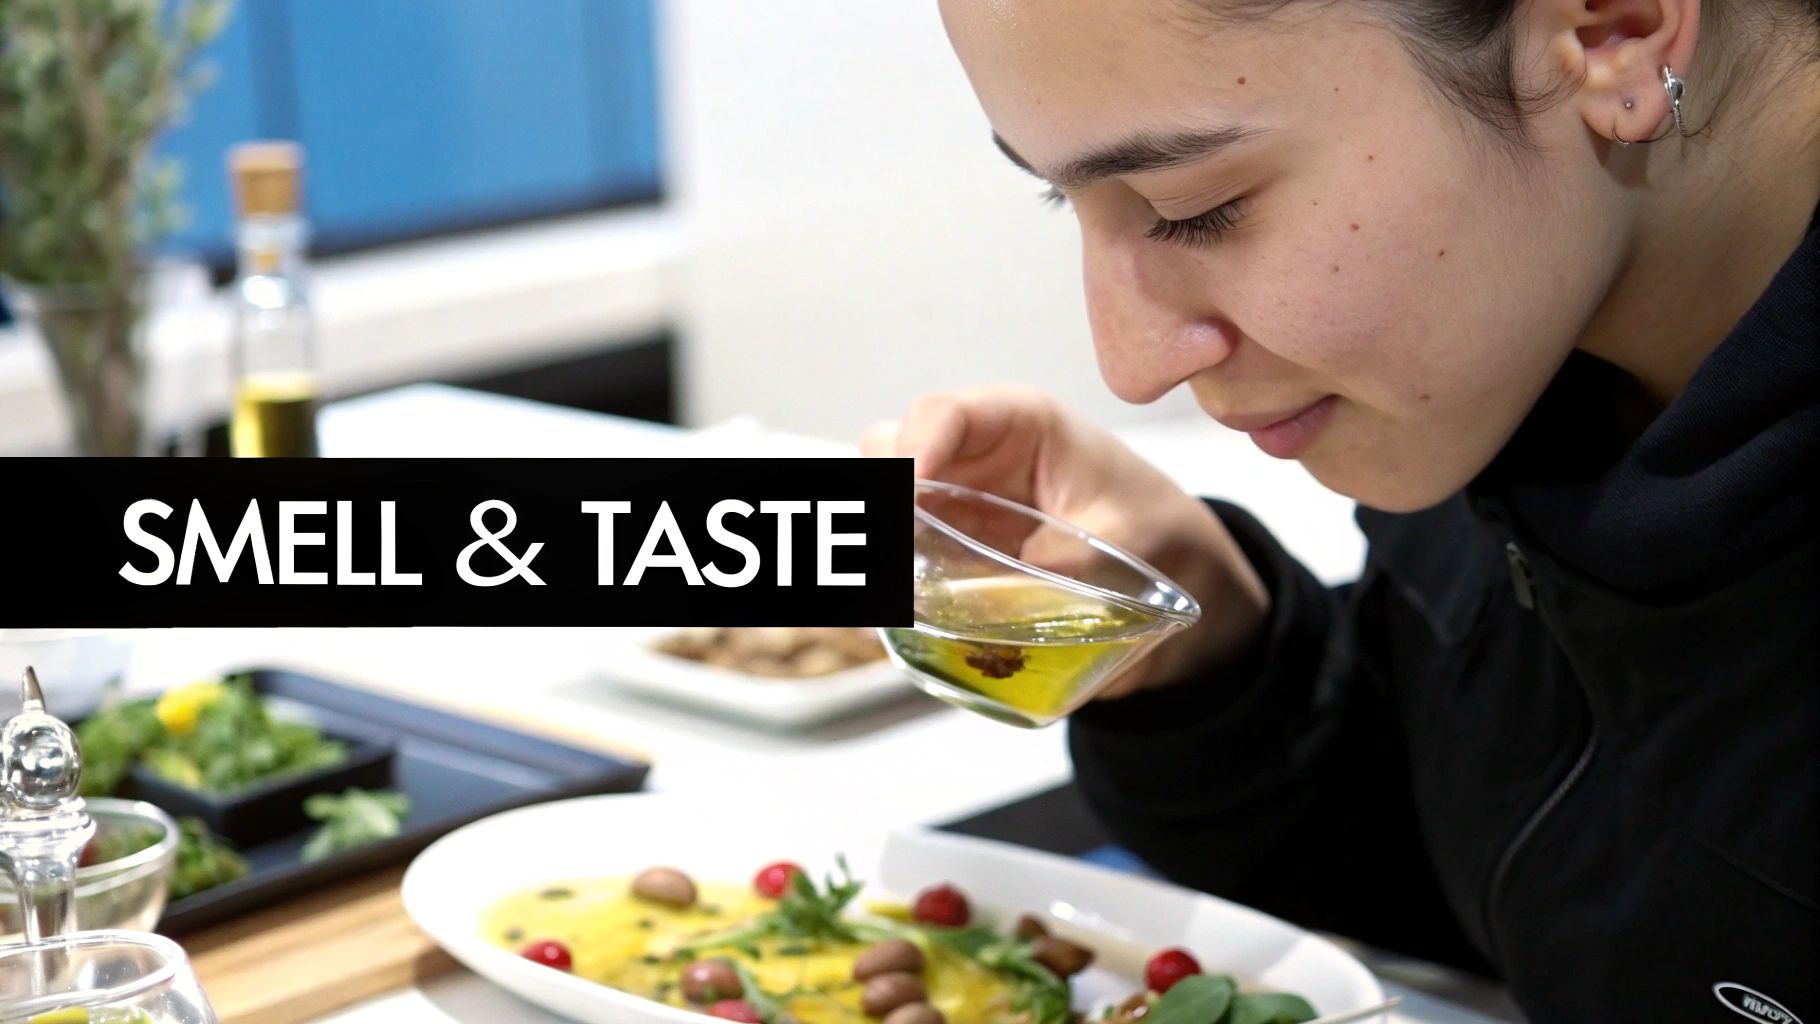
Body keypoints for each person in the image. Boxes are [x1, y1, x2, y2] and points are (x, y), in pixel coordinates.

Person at [862, 1, 1819, 1020]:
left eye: (1194, 206)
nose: (1128, 366)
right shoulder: (1528, 342)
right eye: (1065, 200)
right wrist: (1224, 654)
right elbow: (1556, 874)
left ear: (1607, 30)